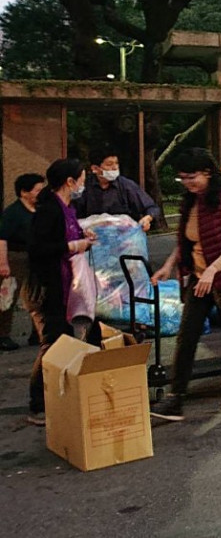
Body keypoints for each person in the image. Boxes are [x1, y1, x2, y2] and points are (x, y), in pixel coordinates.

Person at [150, 148, 221, 421]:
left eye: (192, 177)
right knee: (187, 334)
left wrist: (212, 271)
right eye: (183, 179)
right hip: (202, 279)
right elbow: (187, 242)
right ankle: (175, 398)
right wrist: (168, 266)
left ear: (207, 173)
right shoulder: (192, 202)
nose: (188, 183)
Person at [27, 159, 95, 426]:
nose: (82, 184)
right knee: (53, 342)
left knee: (64, 339)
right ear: (69, 181)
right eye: (81, 178)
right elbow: (40, 249)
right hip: (48, 286)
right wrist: (74, 245)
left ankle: (56, 398)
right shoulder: (49, 210)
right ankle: (37, 403)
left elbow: (68, 235)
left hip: (66, 286)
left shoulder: (67, 207)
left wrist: (83, 236)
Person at [0, 174, 45, 351]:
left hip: (36, 257)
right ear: (24, 192)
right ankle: (3, 334)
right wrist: (3, 263)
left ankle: (37, 332)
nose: (40, 194)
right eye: (37, 190)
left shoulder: (41, 209)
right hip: (16, 257)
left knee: (37, 296)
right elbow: (2, 238)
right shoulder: (13, 213)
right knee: (8, 297)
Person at [73, 147, 159, 231]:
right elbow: (73, 214)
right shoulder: (84, 187)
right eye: (109, 164)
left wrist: (147, 219)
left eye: (116, 163)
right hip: (92, 239)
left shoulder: (127, 185)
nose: (115, 167)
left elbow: (151, 207)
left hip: (125, 239)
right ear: (95, 168)